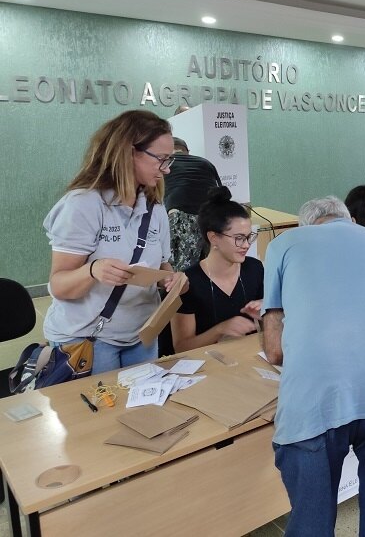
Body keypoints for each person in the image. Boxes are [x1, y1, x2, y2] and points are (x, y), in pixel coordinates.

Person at [261, 196, 365, 536]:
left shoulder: (283, 244)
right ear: (349, 220)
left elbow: (275, 352)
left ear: (306, 225)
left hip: (315, 400)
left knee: (312, 522)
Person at [42, 110, 185, 373]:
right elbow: (59, 285)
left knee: (143, 412)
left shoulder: (155, 208)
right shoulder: (84, 204)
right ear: (129, 152)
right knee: (98, 414)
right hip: (89, 339)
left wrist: (172, 280)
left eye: (170, 160)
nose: (167, 169)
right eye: (162, 159)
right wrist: (93, 270)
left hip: (141, 335)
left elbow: (163, 265)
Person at [170, 186, 263, 353]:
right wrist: (220, 329)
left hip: (247, 359)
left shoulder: (255, 269)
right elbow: (182, 347)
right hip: (207, 367)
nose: (247, 245)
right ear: (213, 238)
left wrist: (265, 310)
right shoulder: (187, 282)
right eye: (239, 238)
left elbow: (269, 320)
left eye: (249, 237)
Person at [163, 135, 222, 271]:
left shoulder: (166, 163)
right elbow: (220, 190)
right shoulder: (205, 162)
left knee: (181, 269)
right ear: (187, 151)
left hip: (181, 216)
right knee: (209, 266)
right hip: (211, 217)